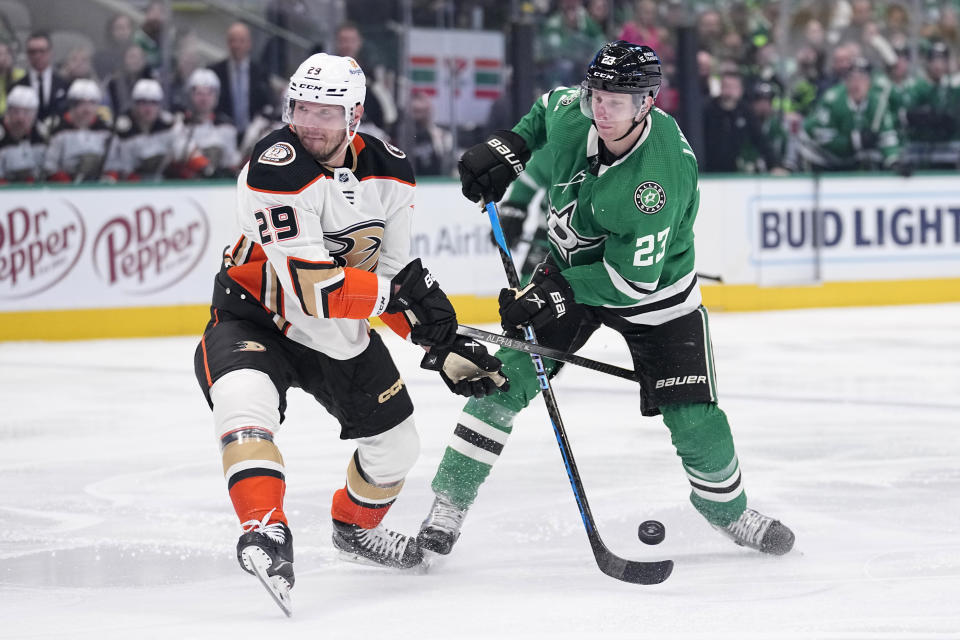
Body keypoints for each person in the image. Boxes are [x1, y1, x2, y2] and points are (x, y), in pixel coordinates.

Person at [416, 41, 795, 561]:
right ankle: (449, 502)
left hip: (657, 298)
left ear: (648, 103)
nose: (602, 109)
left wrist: (557, 293)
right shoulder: (579, 110)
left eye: (618, 100)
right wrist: (511, 145)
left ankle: (727, 510)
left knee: (693, 416)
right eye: (597, 95)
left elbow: (632, 281)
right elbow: (546, 109)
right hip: (569, 271)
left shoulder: (656, 180)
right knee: (501, 382)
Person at [192, 52, 508, 613]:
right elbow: (314, 288)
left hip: (337, 335)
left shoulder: (390, 170)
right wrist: (403, 300)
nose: (309, 122)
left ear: (355, 115)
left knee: (397, 448)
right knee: (243, 405)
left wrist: (439, 340)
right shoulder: (274, 166)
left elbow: (391, 274)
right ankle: (263, 532)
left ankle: (353, 529)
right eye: (302, 108)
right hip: (256, 316)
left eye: (325, 111)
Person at [798, 57, 900, 171]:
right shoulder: (832, 99)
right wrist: (854, 141)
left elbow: (887, 136)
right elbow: (820, 135)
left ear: (869, 83)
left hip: (850, 159)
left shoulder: (877, 103)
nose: (857, 85)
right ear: (846, 81)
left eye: (862, 79)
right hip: (820, 157)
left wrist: (893, 160)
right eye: (852, 79)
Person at [209, 22, 276, 141]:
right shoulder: (215, 72)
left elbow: (269, 102)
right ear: (228, 43)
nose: (237, 45)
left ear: (249, 44)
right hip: (223, 134)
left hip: (253, 136)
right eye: (233, 41)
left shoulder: (260, 72)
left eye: (241, 41)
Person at [169, 68, 239, 178]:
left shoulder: (226, 128)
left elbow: (231, 164)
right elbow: (178, 154)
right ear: (189, 95)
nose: (204, 98)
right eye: (199, 93)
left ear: (216, 96)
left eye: (209, 93)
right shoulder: (179, 125)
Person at [41, 79, 112, 182]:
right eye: (81, 103)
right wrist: (70, 184)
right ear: (72, 105)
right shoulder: (59, 130)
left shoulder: (105, 131)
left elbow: (113, 164)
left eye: (92, 103)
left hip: (97, 188)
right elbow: (50, 166)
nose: (87, 109)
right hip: (65, 188)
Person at [107, 78, 177, 181]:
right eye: (143, 102)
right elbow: (117, 166)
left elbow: (184, 151)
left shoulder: (170, 124)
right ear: (135, 104)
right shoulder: (121, 130)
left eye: (153, 102)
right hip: (131, 185)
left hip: (165, 182)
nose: (148, 108)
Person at [14, 32, 69, 121]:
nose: (37, 56)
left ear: (50, 52)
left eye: (42, 51)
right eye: (33, 52)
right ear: (27, 54)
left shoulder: (64, 84)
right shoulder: (17, 87)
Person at [0, 86, 47, 183]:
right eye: (15, 112)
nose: (20, 118)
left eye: (26, 112)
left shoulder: (41, 133)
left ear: (35, 114)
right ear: (7, 112)